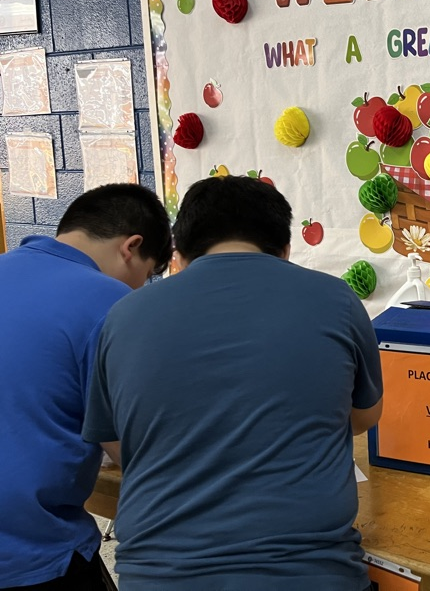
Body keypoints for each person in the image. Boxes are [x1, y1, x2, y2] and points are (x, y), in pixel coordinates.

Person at [82, 175, 383, 591]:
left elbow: (118, 444)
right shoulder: (337, 299)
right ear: (285, 250)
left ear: (180, 255)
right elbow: (365, 415)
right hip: (313, 575)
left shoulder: (123, 316)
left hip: (160, 578)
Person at [0, 184, 172, 591]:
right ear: (131, 246)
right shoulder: (111, 302)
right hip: (34, 554)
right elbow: (140, 455)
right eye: (145, 277)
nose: (138, 290)